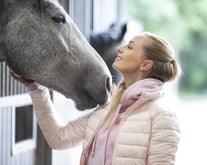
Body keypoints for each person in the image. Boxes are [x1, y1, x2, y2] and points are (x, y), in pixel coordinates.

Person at [10, 31, 181, 165]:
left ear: (145, 64)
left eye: (130, 47)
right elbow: (59, 138)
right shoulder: (109, 107)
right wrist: (36, 88)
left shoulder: (162, 116)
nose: (119, 48)